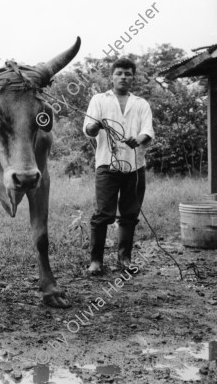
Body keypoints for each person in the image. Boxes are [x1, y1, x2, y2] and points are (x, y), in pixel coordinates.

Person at [83, 57, 154, 275]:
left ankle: (125, 260)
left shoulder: (141, 103)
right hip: (107, 165)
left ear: (133, 78)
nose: (123, 77)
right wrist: (95, 125)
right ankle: (96, 262)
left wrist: (138, 140)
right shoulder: (99, 100)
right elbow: (88, 129)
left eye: (128, 74)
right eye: (119, 73)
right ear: (112, 77)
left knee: (129, 214)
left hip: (135, 166)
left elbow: (147, 131)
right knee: (103, 214)